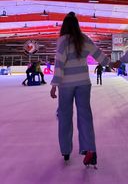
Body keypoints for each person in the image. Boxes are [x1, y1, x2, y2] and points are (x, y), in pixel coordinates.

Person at [50, 12, 110, 166]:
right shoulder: (84, 38)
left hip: (66, 85)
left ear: (64, 26)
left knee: (65, 116)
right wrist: (109, 63)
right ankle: (90, 148)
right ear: (77, 25)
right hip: (83, 83)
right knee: (85, 116)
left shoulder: (63, 40)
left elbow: (59, 63)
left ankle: (65, 150)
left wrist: (54, 85)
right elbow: (99, 55)